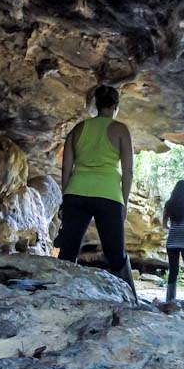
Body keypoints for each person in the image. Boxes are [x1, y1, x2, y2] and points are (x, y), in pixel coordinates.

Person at [57, 84, 138, 304]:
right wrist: (125, 201)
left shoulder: (78, 129)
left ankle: (61, 297)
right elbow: (128, 170)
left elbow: (66, 169)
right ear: (115, 106)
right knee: (115, 255)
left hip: (76, 192)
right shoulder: (121, 129)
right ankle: (130, 301)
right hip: (109, 194)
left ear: (96, 104)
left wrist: (66, 198)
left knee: (68, 251)